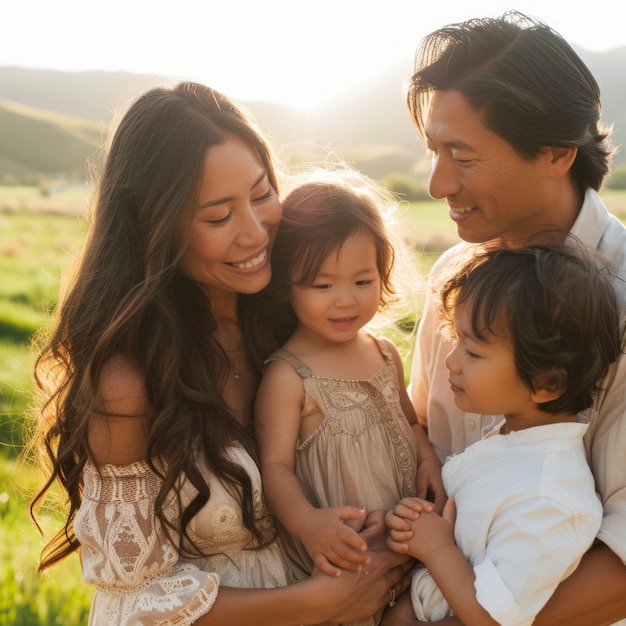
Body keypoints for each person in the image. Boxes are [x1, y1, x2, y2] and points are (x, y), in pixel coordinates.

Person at [28, 82, 410, 626]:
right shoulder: (128, 383)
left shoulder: (293, 325)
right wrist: (316, 603)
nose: (255, 233)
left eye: (261, 195)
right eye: (217, 217)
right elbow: (130, 600)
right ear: (158, 231)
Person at [400, 10, 626, 626]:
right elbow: (425, 440)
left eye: (462, 156)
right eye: (433, 152)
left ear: (555, 152)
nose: (439, 182)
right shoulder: (453, 274)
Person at [386, 242, 623, 625]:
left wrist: (436, 547)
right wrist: (419, 523)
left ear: (547, 383)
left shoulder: (550, 498)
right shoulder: (510, 443)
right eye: (457, 340)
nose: (451, 361)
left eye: (474, 353)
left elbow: (493, 619)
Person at [254, 171, 445, 624]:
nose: (345, 301)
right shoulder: (289, 375)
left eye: (363, 281)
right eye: (322, 286)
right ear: (288, 285)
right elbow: (275, 467)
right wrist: (308, 523)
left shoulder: (382, 353)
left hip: (406, 544)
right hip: (346, 554)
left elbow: (410, 422)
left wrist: (427, 461)